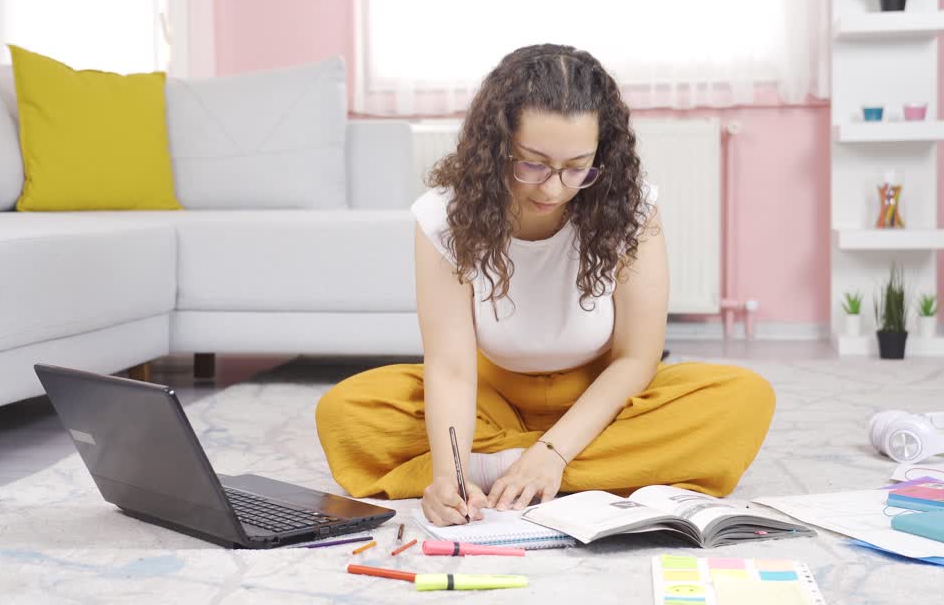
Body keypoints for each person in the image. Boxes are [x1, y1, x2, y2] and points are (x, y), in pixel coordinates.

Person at [316, 44, 775, 526]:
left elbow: (636, 359)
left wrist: (553, 452)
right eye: (532, 164)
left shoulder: (632, 210)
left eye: (577, 167)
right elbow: (450, 369)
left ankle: (507, 469)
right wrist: (449, 473)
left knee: (743, 398)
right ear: (496, 148)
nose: (554, 188)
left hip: (602, 400)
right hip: (489, 400)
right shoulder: (443, 217)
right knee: (347, 414)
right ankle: (527, 472)